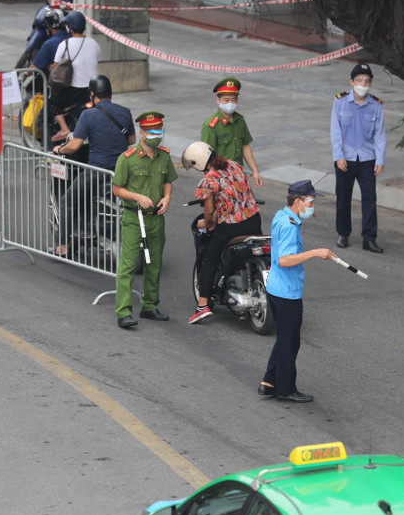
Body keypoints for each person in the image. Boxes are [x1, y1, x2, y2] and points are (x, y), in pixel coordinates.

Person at [258, 180, 336, 403]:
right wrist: (315, 252)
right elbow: (285, 260)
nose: (312, 207)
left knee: (285, 338)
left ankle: (269, 382)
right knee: (290, 342)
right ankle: (285, 389)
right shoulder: (290, 225)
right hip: (286, 292)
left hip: (276, 287)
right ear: (298, 202)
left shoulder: (281, 216)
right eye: (310, 201)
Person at [50, 75, 134, 258]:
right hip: (121, 171)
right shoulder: (125, 111)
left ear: (92, 95)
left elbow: (74, 146)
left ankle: (63, 246)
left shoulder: (88, 115)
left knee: (67, 202)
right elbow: (132, 140)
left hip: (97, 172)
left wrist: (59, 149)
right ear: (110, 93)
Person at [181, 141, 262, 324]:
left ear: (200, 162)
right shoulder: (234, 165)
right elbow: (239, 195)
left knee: (209, 260)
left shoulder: (208, 181)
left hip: (232, 227)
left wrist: (206, 221)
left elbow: (209, 213)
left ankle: (202, 306)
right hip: (254, 219)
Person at [112, 111, 177, 328]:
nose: (157, 135)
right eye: (152, 132)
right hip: (133, 217)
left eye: (159, 131)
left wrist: (167, 197)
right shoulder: (127, 159)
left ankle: (149, 306)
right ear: (141, 133)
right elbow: (117, 189)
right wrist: (137, 196)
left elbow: (168, 180)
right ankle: (123, 312)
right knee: (129, 265)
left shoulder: (164, 156)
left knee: (154, 263)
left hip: (155, 218)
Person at [331, 63, 386, 254]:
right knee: (343, 197)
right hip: (345, 159)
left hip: (367, 159)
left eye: (367, 81)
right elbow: (335, 131)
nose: (364, 84)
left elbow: (380, 134)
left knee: (369, 198)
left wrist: (380, 160)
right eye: (360, 80)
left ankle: (369, 238)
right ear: (352, 82)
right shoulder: (340, 102)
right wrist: (339, 156)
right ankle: (343, 234)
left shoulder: (376, 105)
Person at [200, 77, 263, 188]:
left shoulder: (240, 120)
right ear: (218, 100)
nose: (230, 103)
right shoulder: (211, 125)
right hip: (221, 178)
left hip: (239, 176)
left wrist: (255, 171)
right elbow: (206, 156)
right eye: (226, 100)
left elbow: (245, 146)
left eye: (234, 100)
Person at [48, 12, 101, 142]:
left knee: (52, 101)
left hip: (72, 91)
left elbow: (55, 66)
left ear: (70, 27)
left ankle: (64, 128)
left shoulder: (65, 44)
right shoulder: (94, 43)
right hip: (91, 91)